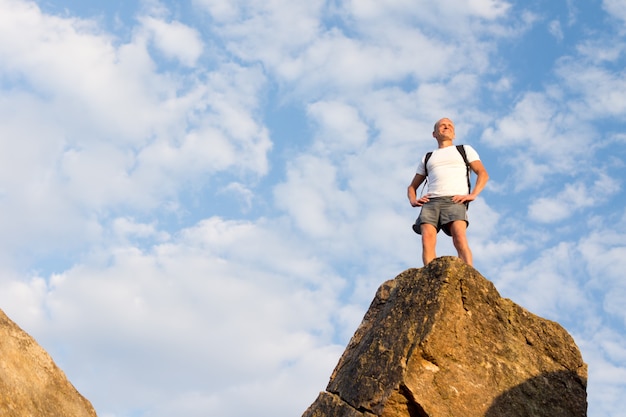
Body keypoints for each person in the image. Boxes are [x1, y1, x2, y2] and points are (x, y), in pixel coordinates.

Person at [407, 117, 489, 266]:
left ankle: (469, 275)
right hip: (431, 202)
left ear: (454, 134)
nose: (447, 127)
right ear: (434, 134)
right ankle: (429, 276)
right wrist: (413, 200)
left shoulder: (464, 150)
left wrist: (473, 194)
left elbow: (483, 173)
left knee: (459, 237)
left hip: (455, 200)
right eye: (442, 125)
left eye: (450, 125)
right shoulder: (428, 157)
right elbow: (412, 187)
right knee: (427, 239)